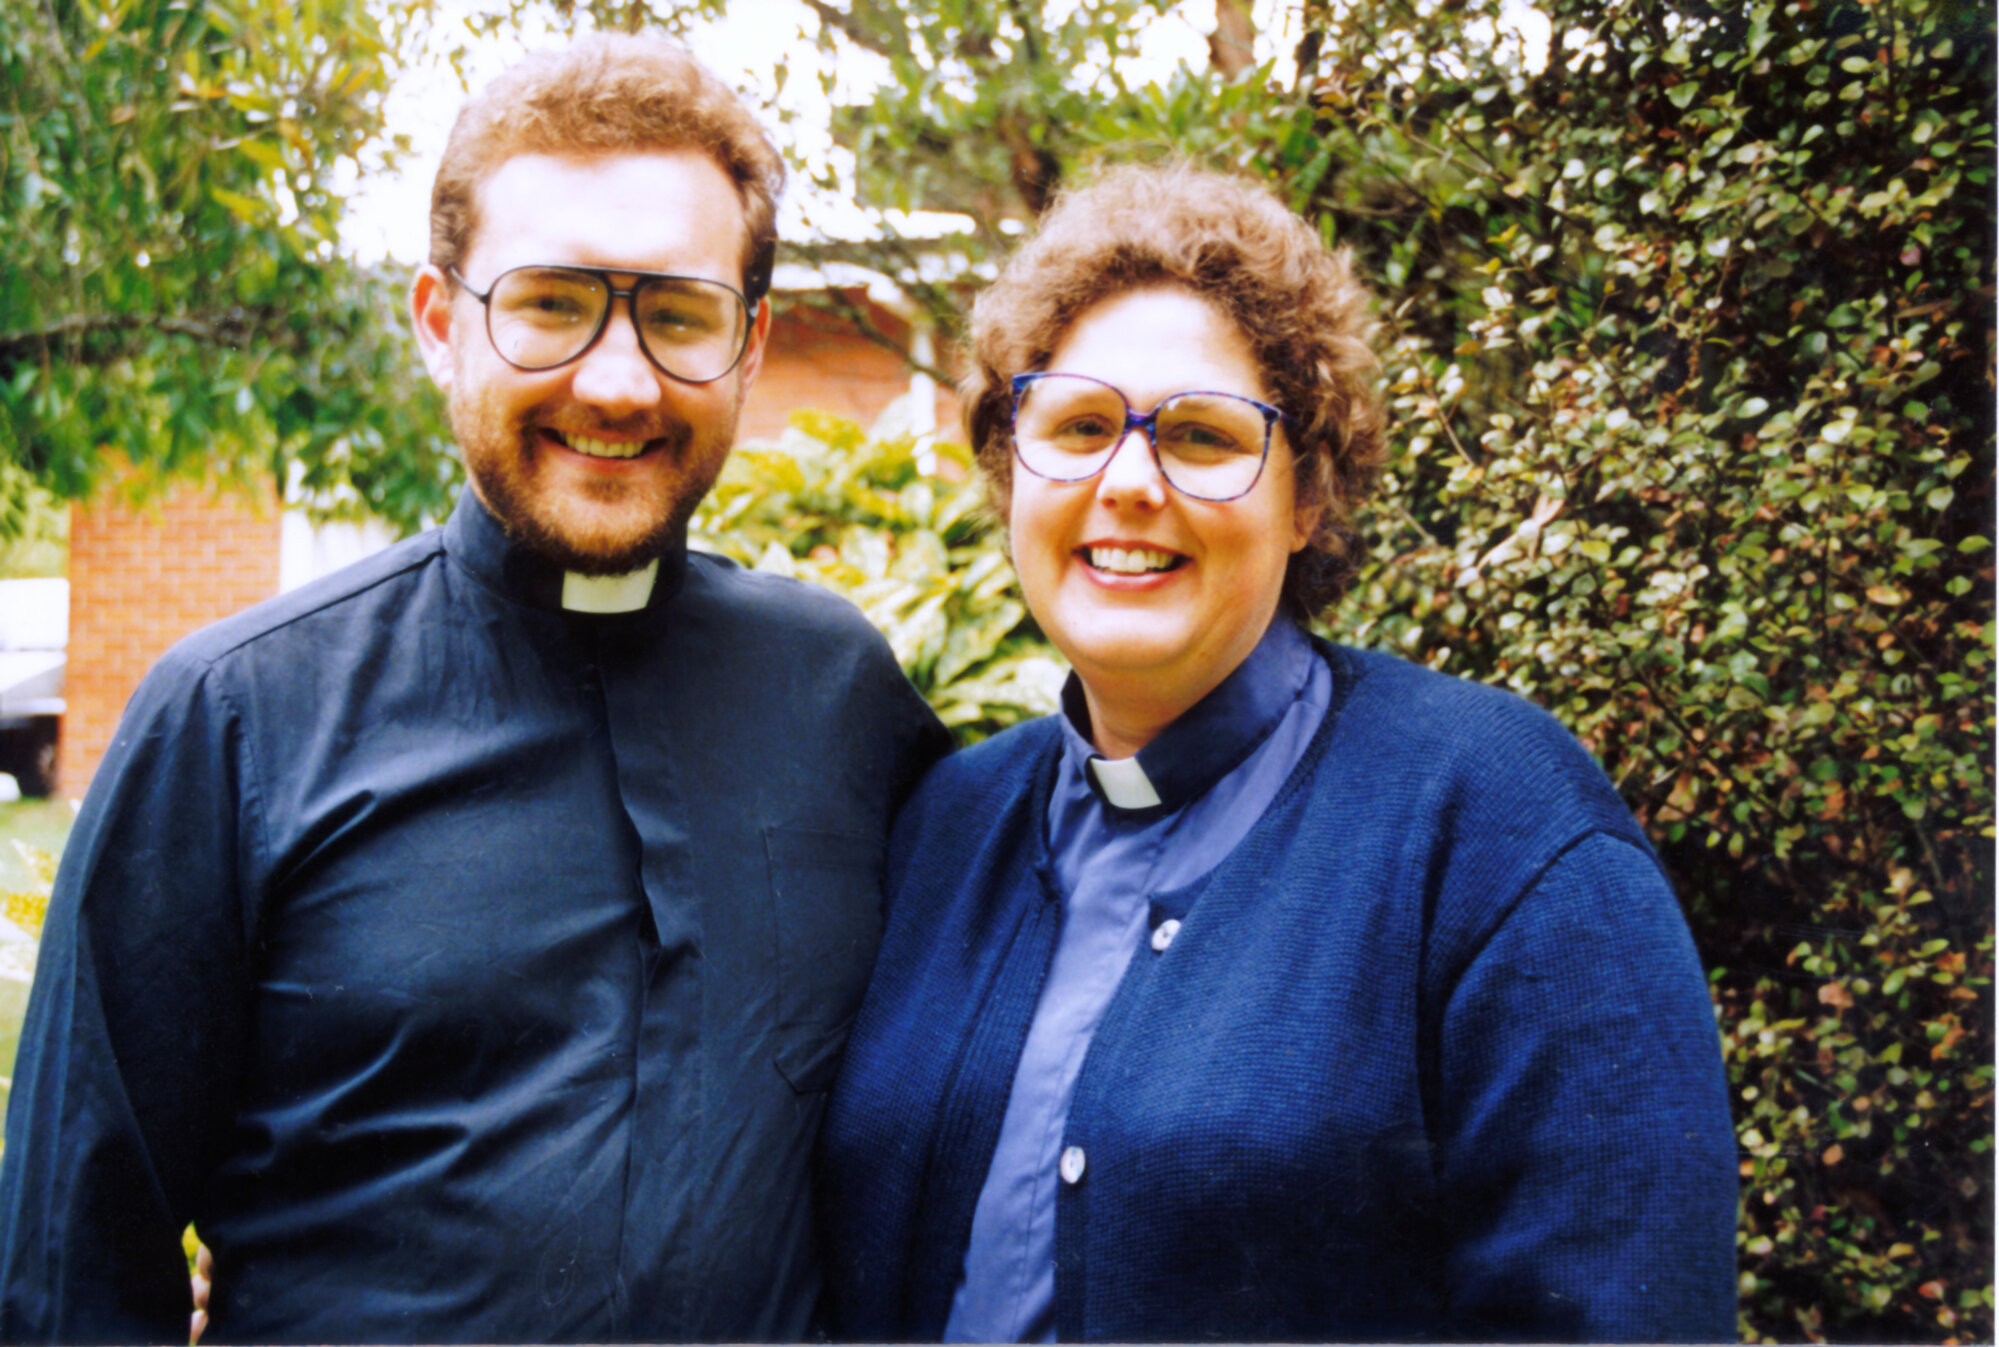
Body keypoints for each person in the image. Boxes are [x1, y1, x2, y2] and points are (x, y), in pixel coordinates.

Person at [0, 35, 949, 1344]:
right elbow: (68, 1268)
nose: (617, 382)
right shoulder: (233, 718)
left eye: (676, 314)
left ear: (746, 344)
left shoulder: (837, 689)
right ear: (441, 322)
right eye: (551, 302)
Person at [816, 163, 1740, 1342]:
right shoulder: (947, 823)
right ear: (1011, 471)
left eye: (1201, 436)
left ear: (1306, 495)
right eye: (1080, 426)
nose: (1128, 483)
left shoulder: (1497, 826)